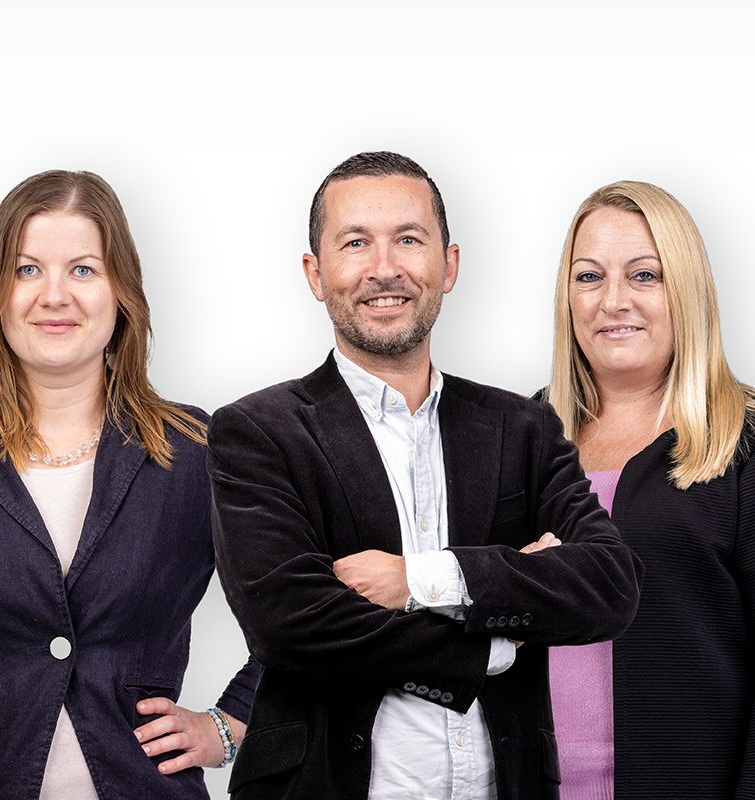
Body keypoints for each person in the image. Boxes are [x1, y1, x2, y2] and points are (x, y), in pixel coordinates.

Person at [208, 151, 643, 800]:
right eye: (356, 243)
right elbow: (291, 625)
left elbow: (609, 585)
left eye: (409, 240)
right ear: (316, 274)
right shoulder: (257, 432)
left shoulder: (522, 426)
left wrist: (422, 579)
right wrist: (497, 640)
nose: (385, 268)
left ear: (450, 265)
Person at [0, 170, 260, 799]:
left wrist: (229, 726)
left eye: (83, 270)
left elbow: (300, 611)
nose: (54, 295)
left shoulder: (192, 451)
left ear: (122, 292)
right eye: (27, 269)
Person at [537, 180, 755, 799]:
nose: (613, 300)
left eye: (644, 275)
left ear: (687, 290)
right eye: (589, 277)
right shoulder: (523, 437)